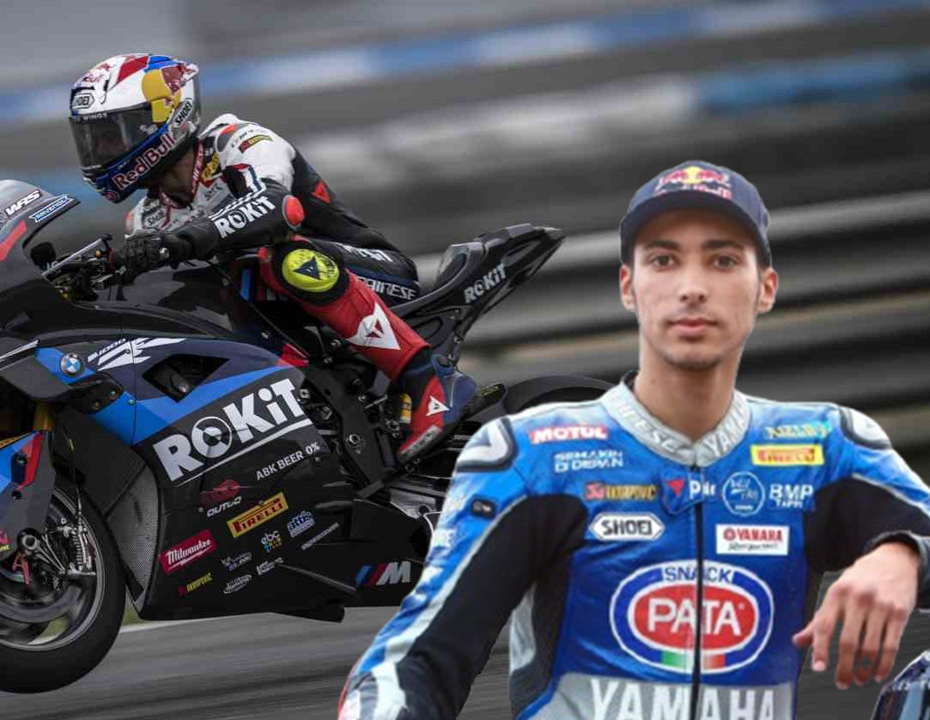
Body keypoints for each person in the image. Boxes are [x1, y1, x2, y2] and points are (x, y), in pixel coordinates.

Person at [338, 160, 930, 719]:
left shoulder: (825, 448)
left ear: (765, 288)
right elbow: (417, 658)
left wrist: (905, 555)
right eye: (665, 260)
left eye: (723, 260)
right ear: (629, 286)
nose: (692, 287)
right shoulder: (532, 458)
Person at [67, 53, 478, 463]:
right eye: (94, 139)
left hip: (368, 273)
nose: (101, 150)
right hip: (276, 312)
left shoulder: (237, 141)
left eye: (111, 136)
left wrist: (184, 241)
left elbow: (277, 208)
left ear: (167, 117)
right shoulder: (145, 219)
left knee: (282, 259)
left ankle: (430, 379)